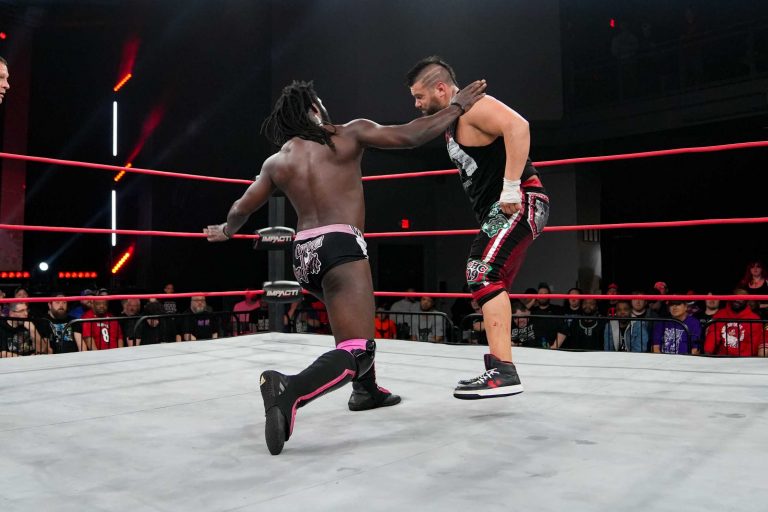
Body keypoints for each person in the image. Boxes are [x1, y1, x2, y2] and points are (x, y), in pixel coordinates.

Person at [205, 78, 486, 454]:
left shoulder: (277, 162)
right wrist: (457, 106)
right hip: (340, 245)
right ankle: (289, 389)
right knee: (358, 350)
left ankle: (365, 391)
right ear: (314, 109)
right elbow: (410, 136)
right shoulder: (347, 134)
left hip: (303, 255)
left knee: (354, 321)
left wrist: (226, 230)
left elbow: (241, 208)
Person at [407, 56, 549, 399]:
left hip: (521, 200)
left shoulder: (473, 108)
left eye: (420, 96)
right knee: (489, 279)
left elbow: (518, 126)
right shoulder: (452, 119)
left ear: (441, 89)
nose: (417, 104)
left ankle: (503, 372)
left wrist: (511, 186)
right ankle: (500, 367)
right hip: (504, 209)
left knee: (481, 271)